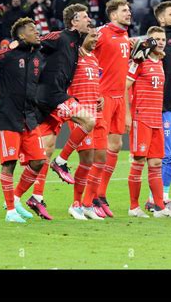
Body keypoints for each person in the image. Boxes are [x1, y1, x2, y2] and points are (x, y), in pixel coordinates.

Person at [27, 3, 93, 220]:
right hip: (51, 95)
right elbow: (36, 42)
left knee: (46, 148)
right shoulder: (61, 37)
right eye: (85, 17)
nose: (89, 20)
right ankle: (62, 161)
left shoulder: (75, 44)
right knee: (88, 120)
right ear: (74, 21)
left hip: (52, 97)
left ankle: (36, 196)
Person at [0, 17, 46, 223]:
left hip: (29, 117)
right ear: (21, 35)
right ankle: (10, 210)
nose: (37, 32)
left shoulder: (38, 56)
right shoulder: (8, 54)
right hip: (7, 117)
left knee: (38, 161)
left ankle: (16, 198)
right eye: (31, 29)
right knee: (9, 164)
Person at [125, 26, 171, 219]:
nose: (160, 42)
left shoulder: (161, 62)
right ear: (149, 41)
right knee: (139, 161)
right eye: (156, 39)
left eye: (163, 39)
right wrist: (126, 115)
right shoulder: (139, 61)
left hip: (157, 118)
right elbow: (125, 87)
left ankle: (159, 207)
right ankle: (133, 207)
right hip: (141, 118)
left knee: (156, 162)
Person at [91, 0, 132, 217]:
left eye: (129, 10)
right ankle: (90, 198)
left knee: (115, 146)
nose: (129, 13)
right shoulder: (100, 33)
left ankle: (101, 194)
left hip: (118, 98)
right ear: (113, 15)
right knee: (99, 149)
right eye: (124, 10)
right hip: (102, 97)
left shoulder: (125, 36)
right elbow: (84, 55)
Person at [146, 1, 171, 211]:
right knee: (163, 153)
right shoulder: (157, 42)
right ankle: (153, 198)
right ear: (161, 19)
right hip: (163, 106)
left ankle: (163, 195)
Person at [66, 26, 106, 221]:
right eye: (92, 36)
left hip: (94, 113)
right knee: (87, 159)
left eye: (97, 36)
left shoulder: (93, 58)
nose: (96, 40)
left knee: (100, 157)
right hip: (80, 115)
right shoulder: (73, 57)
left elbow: (94, 84)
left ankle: (88, 204)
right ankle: (75, 204)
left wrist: (100, 98)